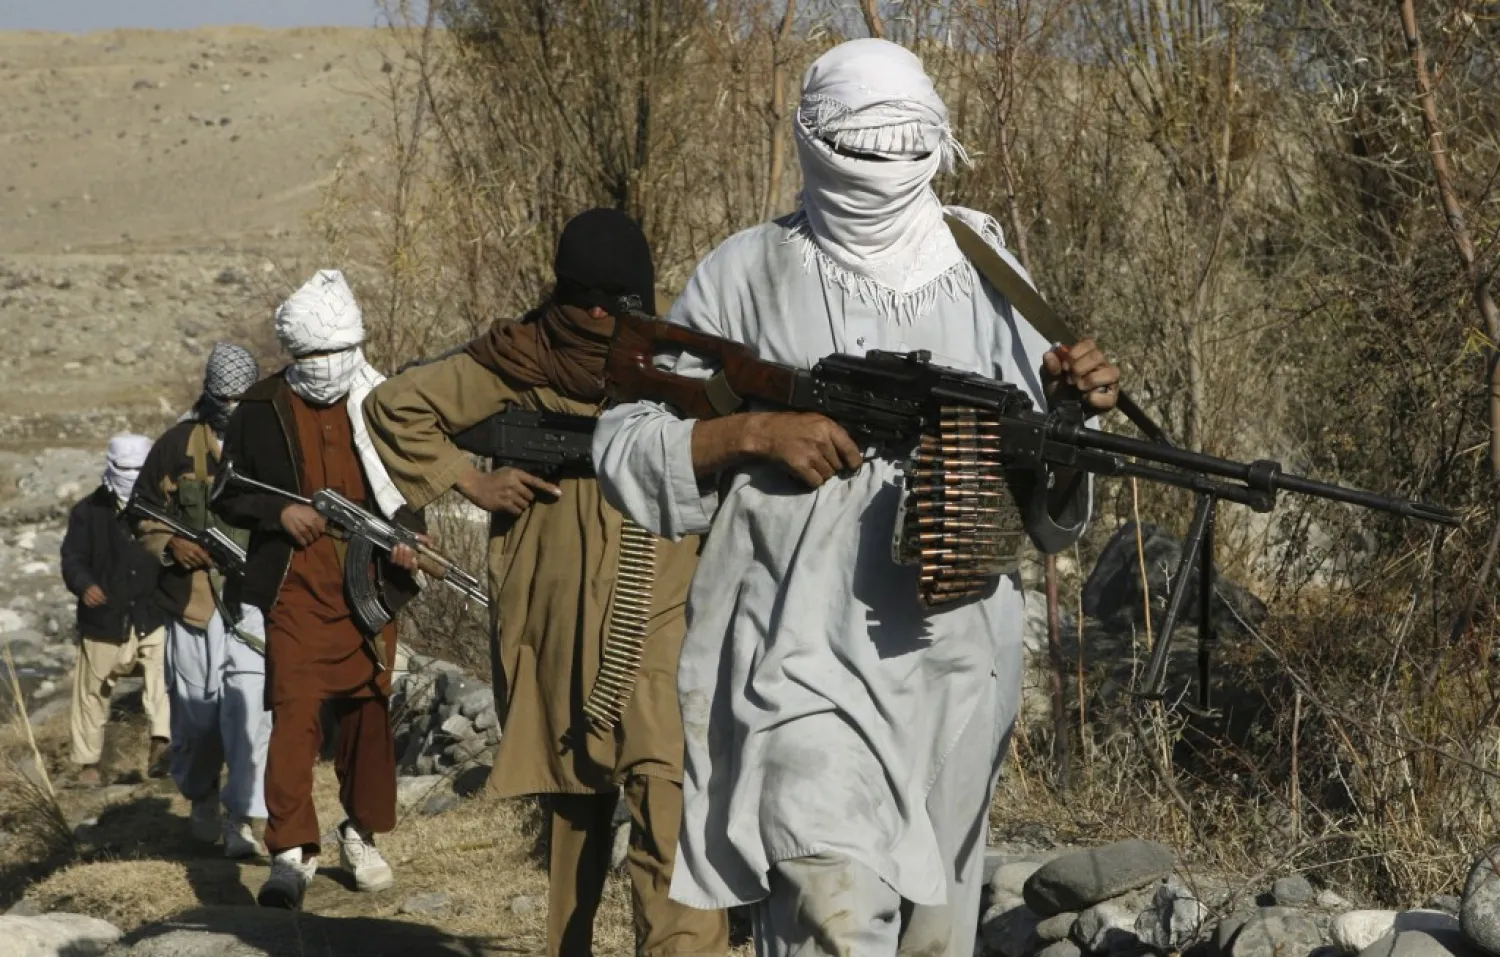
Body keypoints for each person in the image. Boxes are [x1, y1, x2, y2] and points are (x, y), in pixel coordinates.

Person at [592, 39, 1122, 956]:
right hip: (793, 656)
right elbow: (624, 440)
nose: (880, 168)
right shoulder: (747, 272)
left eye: (902, 146)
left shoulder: (992, 278)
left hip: (955, 665)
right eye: (858, 146)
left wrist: (1074, 425)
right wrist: (756, 432)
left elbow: (1041, 512)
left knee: (931, 937)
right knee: (832, 914)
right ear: (810, 141)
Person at [363, 208, 730, 957]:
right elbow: (394, 406)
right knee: (574, 792)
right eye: (592, 304)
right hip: (553, 595)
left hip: (657, 591)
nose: (602, 320)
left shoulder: (675, 366)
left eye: (618, 305)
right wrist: (470, 480)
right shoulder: (516, 360)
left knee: (668, 783)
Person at [213, 269, 423, 911]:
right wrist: (280, 515)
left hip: (369, 590)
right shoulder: (259, 409)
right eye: (316, 357)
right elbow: (229, 491)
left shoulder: (384, 402)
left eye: (338, 354)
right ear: (295, 355)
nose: (329, 368)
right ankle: (290, 852)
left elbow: (412, 484)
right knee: (295, 715)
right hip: (295, 592)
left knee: (367, 717)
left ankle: (359, 834)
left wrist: (409, 539)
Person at [132, 342, 271, 859]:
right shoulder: (176, 445)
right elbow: (140, 514)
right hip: (191, 604)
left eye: (242, 396)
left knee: (249, 713)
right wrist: (172, 544)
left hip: (251, 601)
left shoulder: (271, 443)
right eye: (224, 397)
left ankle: (243, 817)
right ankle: (201, 795)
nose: (232, 406)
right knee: (197, 716)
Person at [60, 434, 170, 787]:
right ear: (110, 466)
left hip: (152, 611)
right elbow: (72, 558)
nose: (133, 475)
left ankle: (161, 744)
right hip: (105, 616)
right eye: (125, 468)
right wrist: (84, 584)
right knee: (91, 692)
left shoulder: (162, 507)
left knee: (163, 675)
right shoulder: (88, 512)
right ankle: (88, 764)